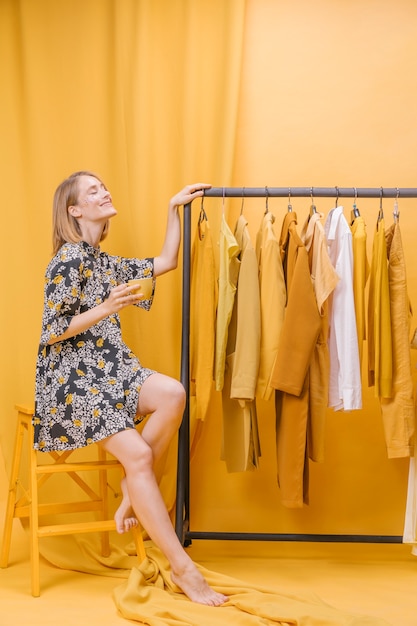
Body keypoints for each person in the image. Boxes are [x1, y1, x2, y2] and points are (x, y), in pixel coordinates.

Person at [33, 170, 227, 607]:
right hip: (72, 382)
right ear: (75, 210)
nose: (105, 191)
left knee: (174, 394)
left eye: (104, 185)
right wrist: (106, 307)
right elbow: (51, 330)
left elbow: (166, 262)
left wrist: (173, 208)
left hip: (112, 372)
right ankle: (184, 571)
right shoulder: (69, 258)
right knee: (139, 455)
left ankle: (131, 494)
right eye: (93, 190)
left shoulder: (102, 260)